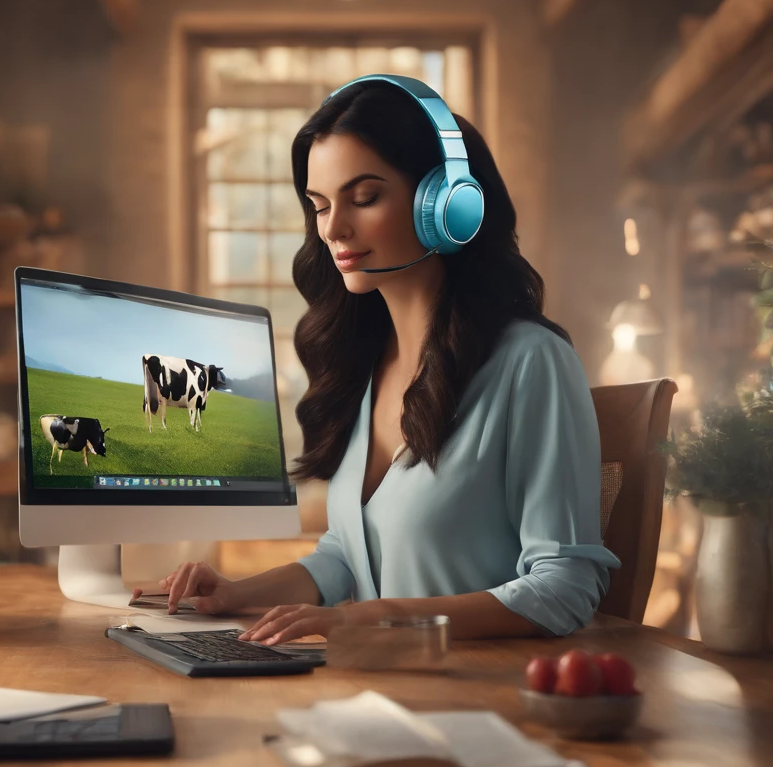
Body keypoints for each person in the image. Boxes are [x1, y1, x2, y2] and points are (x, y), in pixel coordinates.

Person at [134, 76, 620, 644]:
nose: (334, 229)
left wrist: (366, 618)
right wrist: (238, 592)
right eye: (319, 206)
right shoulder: (362, 367)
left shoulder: (533, 363)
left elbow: (563, 588)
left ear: (449, 205)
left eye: (364, 199)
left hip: (482, 701)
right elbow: (350, 554)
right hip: (376, 694)